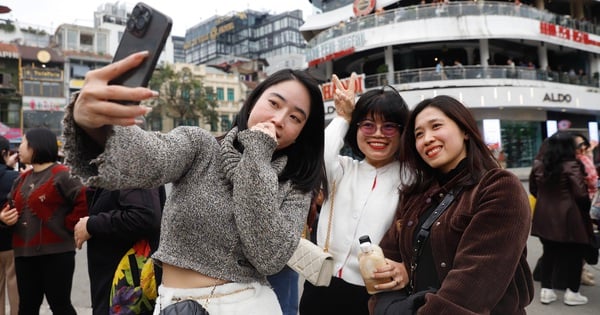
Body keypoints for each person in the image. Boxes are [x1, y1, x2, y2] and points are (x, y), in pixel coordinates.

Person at [62, 51, 326, 315]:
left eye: (295, 118)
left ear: (303, 133)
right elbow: (150, 157)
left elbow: (269, 256)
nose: (279, 120)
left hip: (246, 305)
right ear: (254, 100)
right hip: (173, 304)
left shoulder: (293, 186)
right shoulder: (201, 148)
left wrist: (257, 153)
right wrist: (94, 127)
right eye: (274, 104)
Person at [370, 95, 533, 314]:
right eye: (419, 134)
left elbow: (473, 285)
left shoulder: (498, 187)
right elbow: (385, 258)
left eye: (436, 126)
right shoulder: (414, 194)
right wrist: (385, 305)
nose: (427, 139)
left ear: (465, 130)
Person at [299, 73, 409, 315]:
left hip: (373, 292)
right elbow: (322, 152)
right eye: (368, 125)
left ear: (402, 133)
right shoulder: (343, 168)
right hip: (321, 282)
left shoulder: (410, 178)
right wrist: (343, 116)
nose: (378, 133)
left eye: (389, 126)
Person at [0, 128, 88, 315]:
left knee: (60, 305)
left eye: (23, 143)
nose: (19, 149)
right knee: (27, 307)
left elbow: (84, 200)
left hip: (57, 253)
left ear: (36, 146)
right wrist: (4, 218)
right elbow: (9, 206)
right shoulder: (21, 179)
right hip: (24, 253)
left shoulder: (63, 174)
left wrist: (68, 225)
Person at [74, 186, 165, 315]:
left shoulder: (131, 166)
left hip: (126, 294)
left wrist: (91, 224)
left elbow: (144, 215)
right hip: (116, 290)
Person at [530, 131, 595, 306]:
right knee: (575, 255)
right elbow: (581, 195)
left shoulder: (538, 164)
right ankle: (572, 293)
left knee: (549, 253)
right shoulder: (571, 165)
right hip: (569, 218)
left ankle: (546, 291)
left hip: (544, 217)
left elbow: (533, 189)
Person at [0, 136, 19, 315]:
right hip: (12, 244)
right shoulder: (15, 177)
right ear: (5, 153)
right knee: (14, 286)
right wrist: (9, 167)